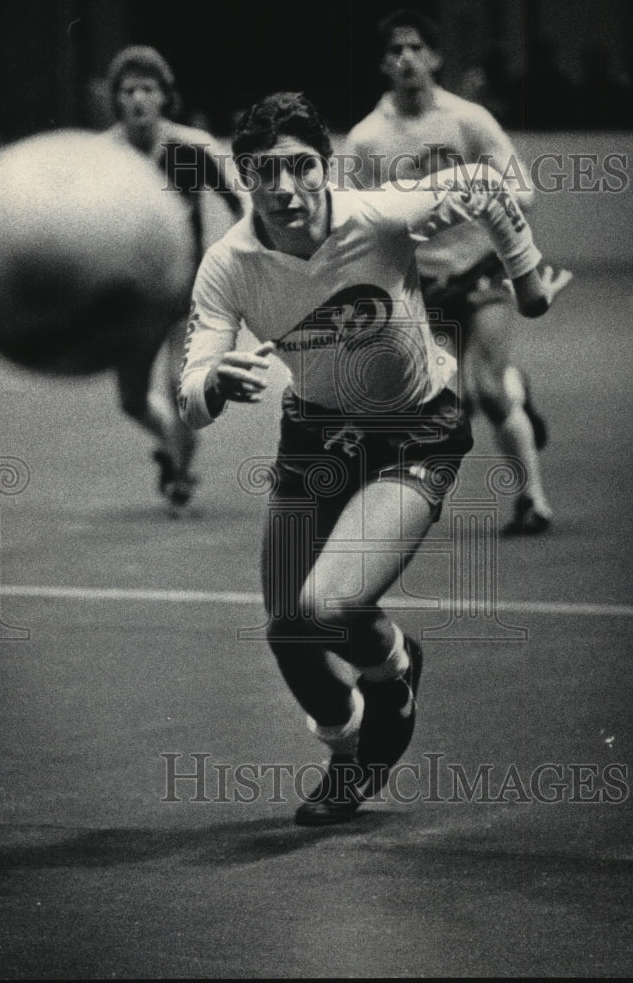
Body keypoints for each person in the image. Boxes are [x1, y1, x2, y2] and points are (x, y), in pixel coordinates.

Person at [178, 92, 570, 825]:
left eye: (299, 167)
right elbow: (190, 391)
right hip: (313, 441)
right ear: (246, 177)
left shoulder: (378, 215)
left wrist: (526, 282)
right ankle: (346, 747)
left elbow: (485, 186)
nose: (285, 188)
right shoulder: (227, 264)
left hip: (412, 434)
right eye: (265, 173)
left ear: (324, 167)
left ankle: (390, 675)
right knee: (289, 633)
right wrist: (212, 384)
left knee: (327, 607)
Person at [345, 9, 566, 535]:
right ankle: (515, 387)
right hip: (421, 283)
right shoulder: (367, 139)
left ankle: (533, 500)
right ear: (382, 63)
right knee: (448, 402)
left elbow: (524, 191)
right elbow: (354, 219)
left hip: (481, 268)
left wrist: (467, 198)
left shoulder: (468, 120)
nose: (406, 59)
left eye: (416, 48)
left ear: (435, 57)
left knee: (486, 389)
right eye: (395, 51)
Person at [103, 46, 244, 511]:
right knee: (130, 401)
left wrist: (242, 260)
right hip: (131, 301)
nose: (139, 98)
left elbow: (240, 206)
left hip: (187, 292)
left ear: (165, 97)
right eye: (129, 90)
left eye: (149, 89)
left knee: (180, 388)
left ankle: (180, 474)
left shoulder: (193, 148)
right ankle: (170, 446)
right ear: (116, 99)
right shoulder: (102, 157)